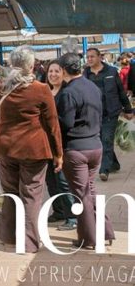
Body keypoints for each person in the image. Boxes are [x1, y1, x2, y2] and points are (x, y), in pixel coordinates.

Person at [0, 46, 63, 253]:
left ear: (12, 64)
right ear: (31, 66)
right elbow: (52, 123)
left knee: (10, 193)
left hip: (5, 147)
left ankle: (7, 236)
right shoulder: (41, 89)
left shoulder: (0, 87)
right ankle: (28, 243)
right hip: (34, 149)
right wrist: (58, 153)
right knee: (31, 195)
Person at [57, 53, 115, 249]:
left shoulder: (68, 93)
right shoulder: (92, 86)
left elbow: (66, 123)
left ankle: (89, 239)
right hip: (95, 147)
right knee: (89, 191)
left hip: (76, 150)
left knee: (81, 195)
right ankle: (104, 231)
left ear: (64, 70)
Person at [84, 47, 133, 181]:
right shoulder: (86, 74)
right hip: (94, 113)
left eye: (92, 56)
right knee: (102, 140)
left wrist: (128, 110)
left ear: (100, 57)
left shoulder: (111, 71)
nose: (89, 59)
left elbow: (120, 91)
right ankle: (114, 164)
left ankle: (104, 169)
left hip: (111, 112)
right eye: (87, 57)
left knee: (106, 139)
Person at [44, 61, 77, 231]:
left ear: (63, 73)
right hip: (45, 144)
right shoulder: (44, 91)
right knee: (50, 180)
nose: (53, 74)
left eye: (57, 71)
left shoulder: (66, 92)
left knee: (63, 180)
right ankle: (58, 210)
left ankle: (72, 216)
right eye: (51, 71)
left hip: (63, 143)